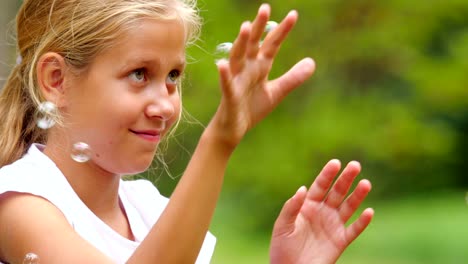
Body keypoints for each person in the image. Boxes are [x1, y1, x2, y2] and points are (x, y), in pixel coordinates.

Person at [0, 0, 374, 263]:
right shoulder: (18, 204)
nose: (164, 106)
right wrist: (219, 142)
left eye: (172, 76)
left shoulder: (150, 209)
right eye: (138, 74)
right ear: (56, 80)